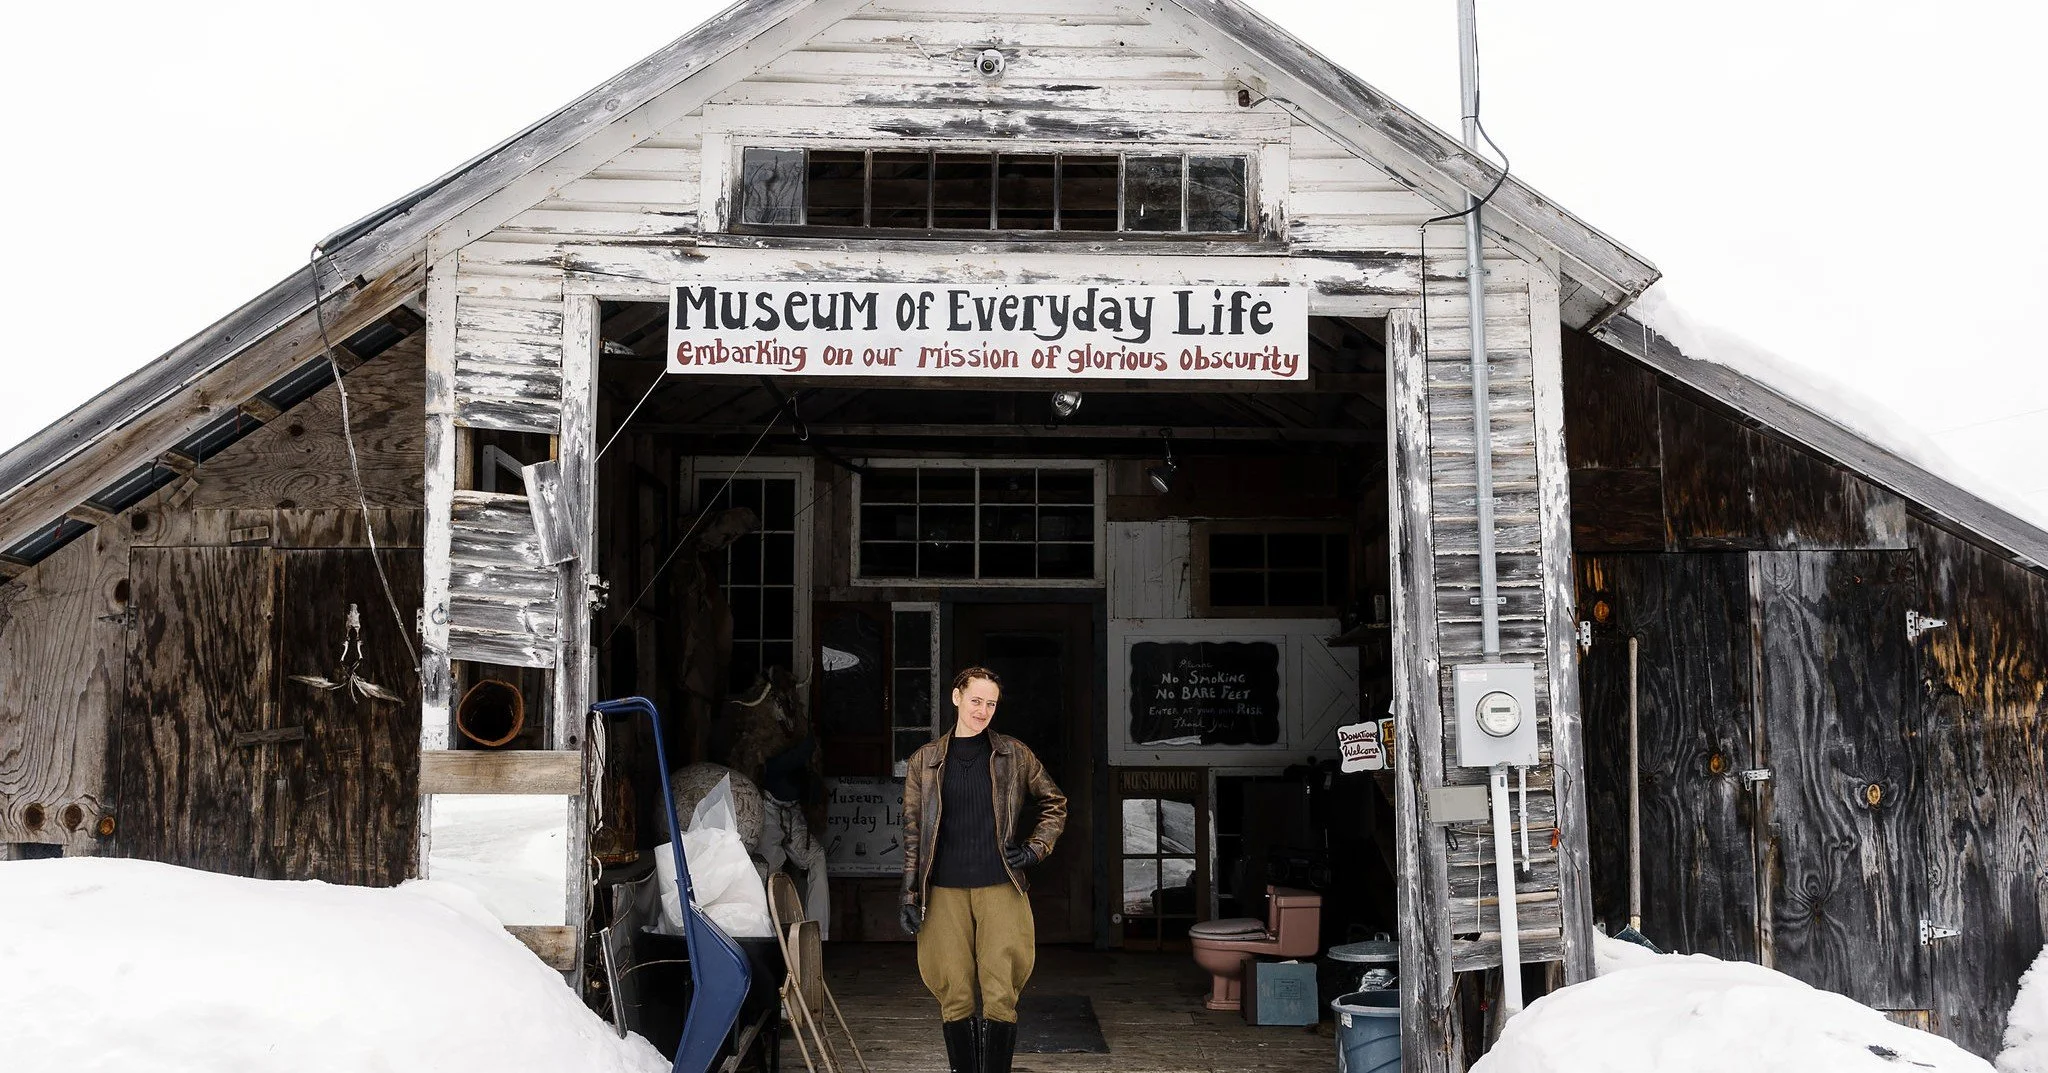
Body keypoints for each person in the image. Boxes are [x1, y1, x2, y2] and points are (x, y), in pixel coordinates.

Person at [899, 667, 1067, 1073]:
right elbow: (912, 832)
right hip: (943, 891)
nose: (983, 710)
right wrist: (909, 894)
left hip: (1001, 887)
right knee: (953, 991)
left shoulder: (1014, 753)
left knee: (1000, 992)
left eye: (991, 703)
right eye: (976, 700)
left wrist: (1035, 849)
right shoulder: (926, 760)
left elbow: (1055, 803)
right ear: (956, 697)